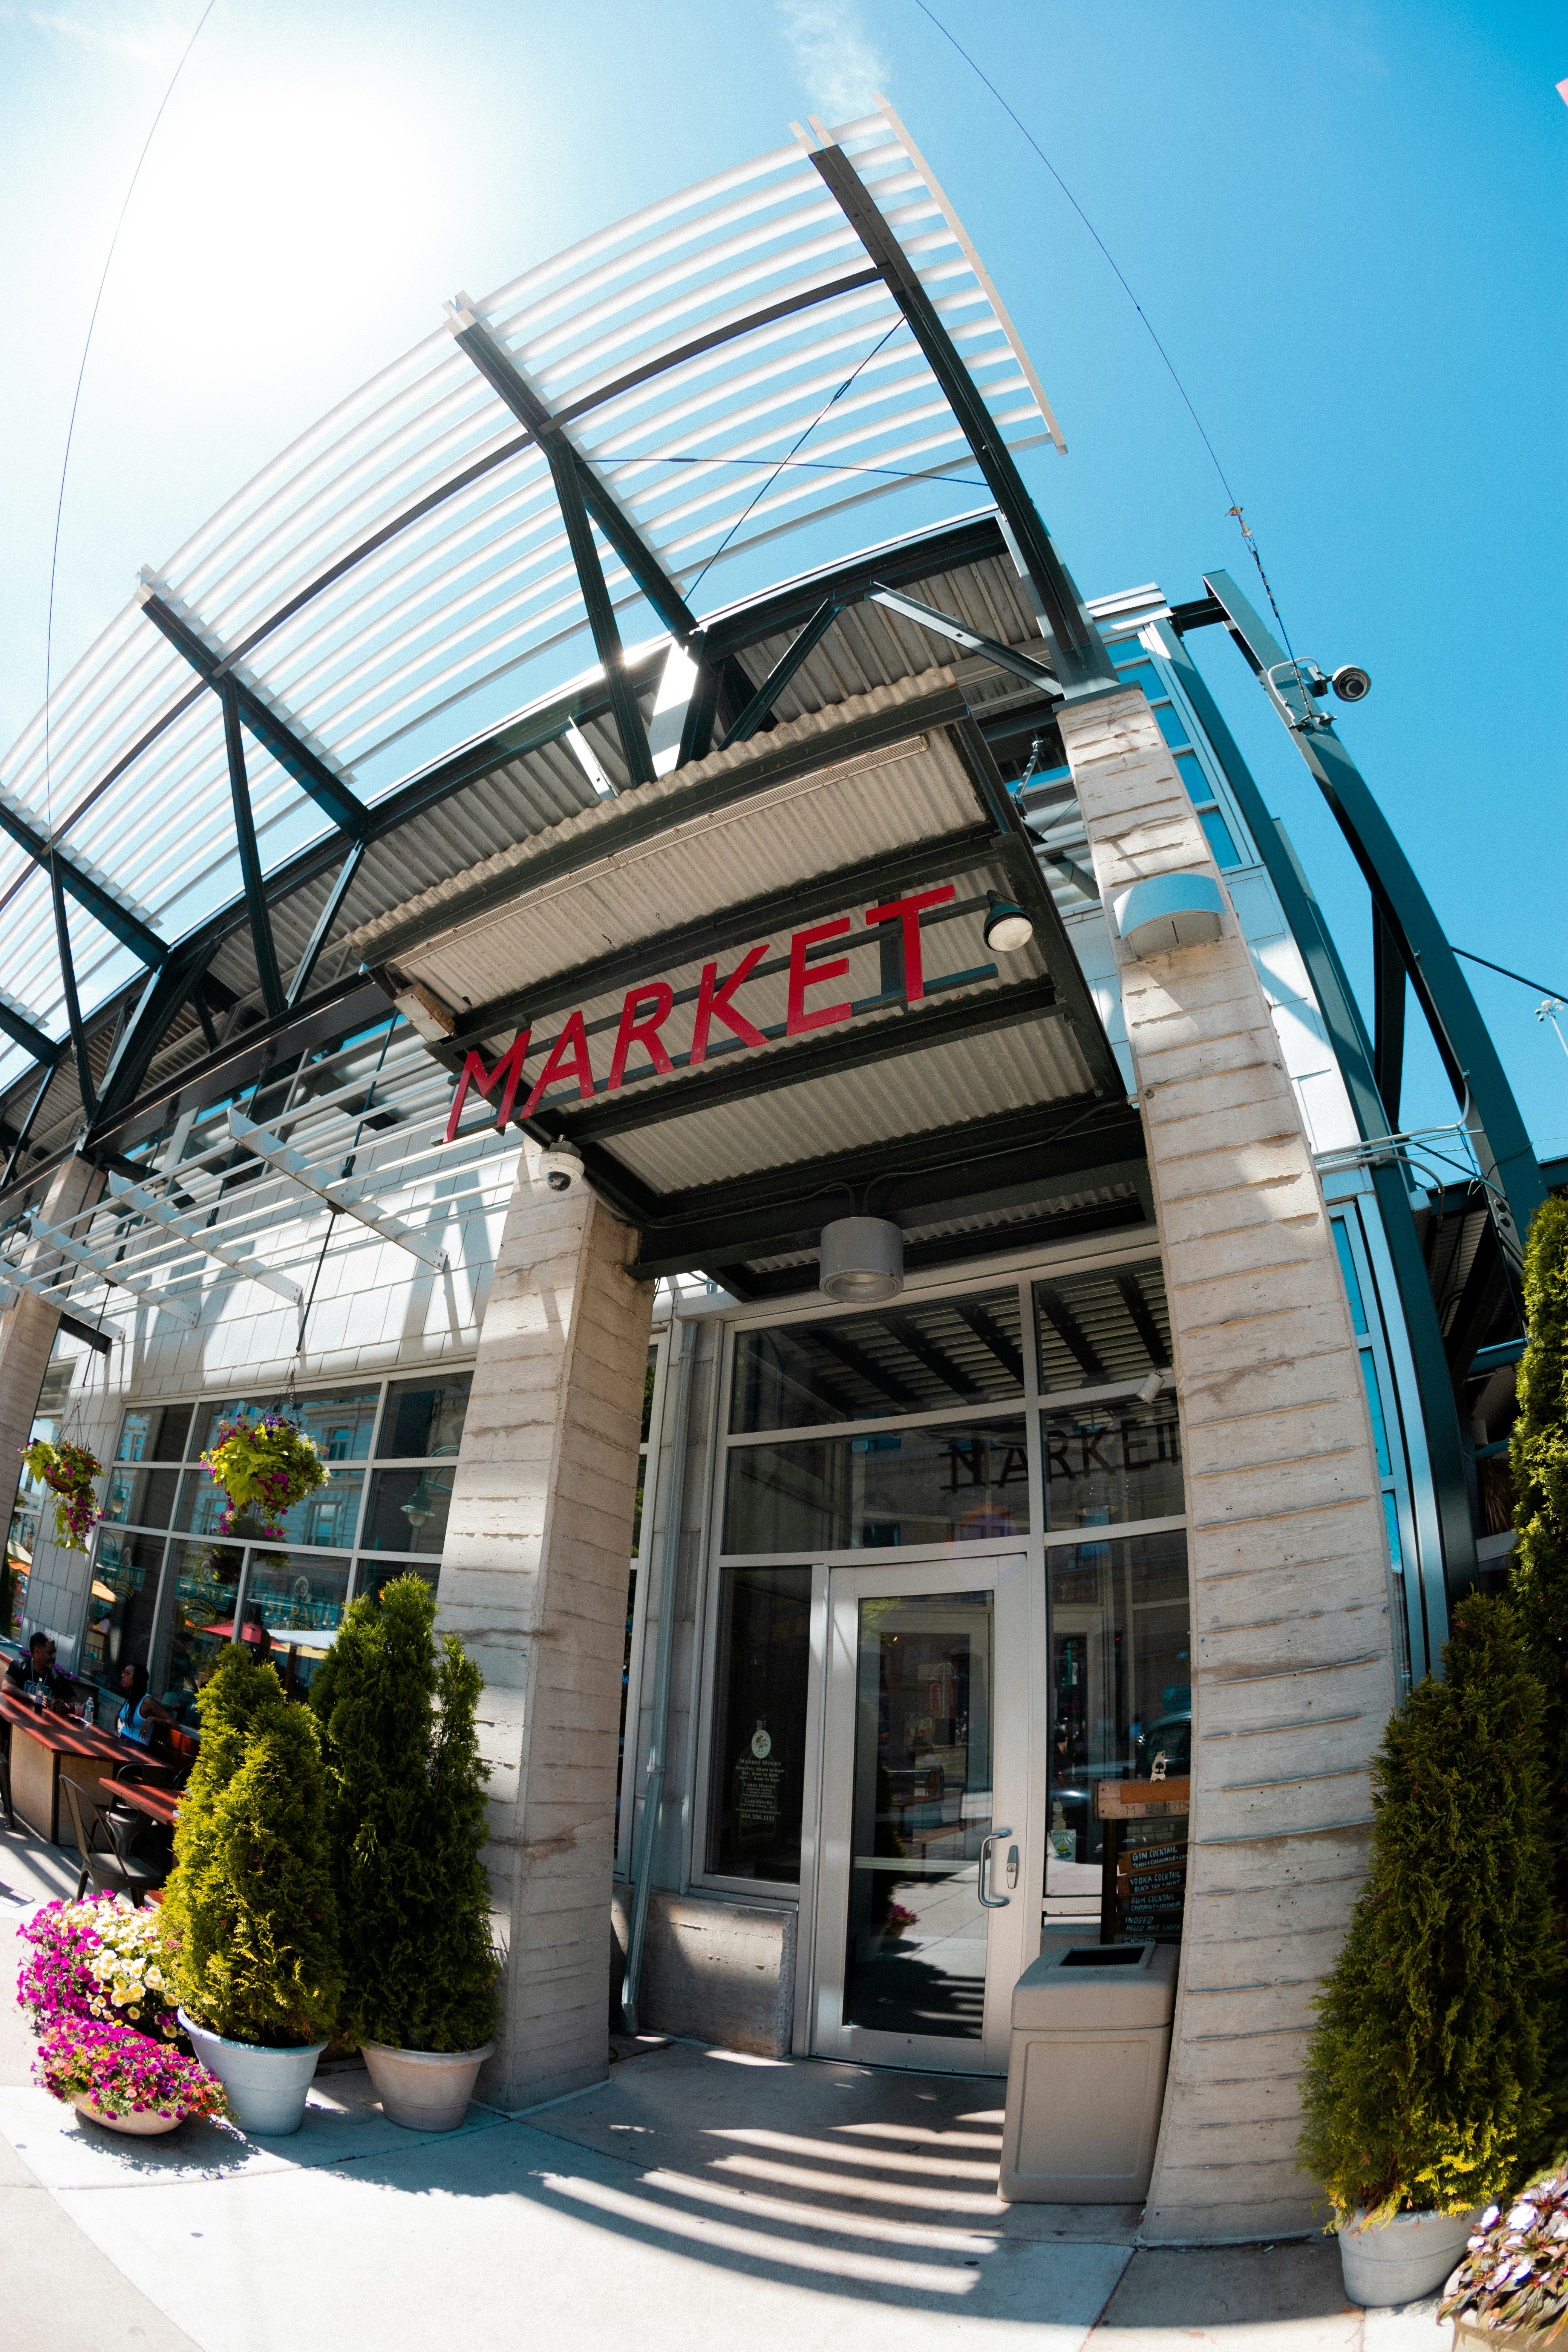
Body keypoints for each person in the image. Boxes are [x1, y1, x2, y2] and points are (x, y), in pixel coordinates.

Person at [115, 1660, 174, 1747]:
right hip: (123, 1741)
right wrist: (120, 1711)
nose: (123, 1676)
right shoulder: (132, 1697)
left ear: (137, 1678)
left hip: (136, 1748)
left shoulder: (148, 1701)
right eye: (123, 1673)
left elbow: (174, 1723)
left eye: (128, 1673)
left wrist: (154, 1719)